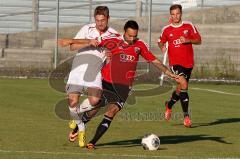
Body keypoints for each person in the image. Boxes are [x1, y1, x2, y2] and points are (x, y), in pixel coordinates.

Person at [65, 20, 180, 149]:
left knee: (112, 111)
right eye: (130, 35)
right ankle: (77, 128)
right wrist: (72, 42)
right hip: (106, 82)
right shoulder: (113, 40)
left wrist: (169, 73)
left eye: (135, 36)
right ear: (124, 32)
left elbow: (154, 60)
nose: (132, 39)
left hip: (124, 88)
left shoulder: (140, 45)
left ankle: (92, 142)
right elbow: (94, 43)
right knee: (95, 109)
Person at [58, 6, 118, 147]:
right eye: (97, 20)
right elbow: (72, 47)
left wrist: (111, 55)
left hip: (95, 70)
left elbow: (116, 54)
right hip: (78, 69)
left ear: (108, 19)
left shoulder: (114, 35)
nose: (100, 23)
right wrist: (88, 41)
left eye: (102, 20)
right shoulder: (87, 29)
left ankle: (76, 115)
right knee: (72, 102)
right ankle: (81, 128)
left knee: (95, 100)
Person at [158, 4, 202, 127]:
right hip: (175, 64)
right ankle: (186, 117)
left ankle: (169, 105)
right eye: (173, 14)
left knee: (180, 89)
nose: (175, 16)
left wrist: (188, 40)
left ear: (181, 13)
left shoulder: (189, 26)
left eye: (177, 14)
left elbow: (199, 40)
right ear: (170, 15)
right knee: (183, 84)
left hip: (188, 63)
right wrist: (162, 47)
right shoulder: (166, 29)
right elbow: (160, 42)